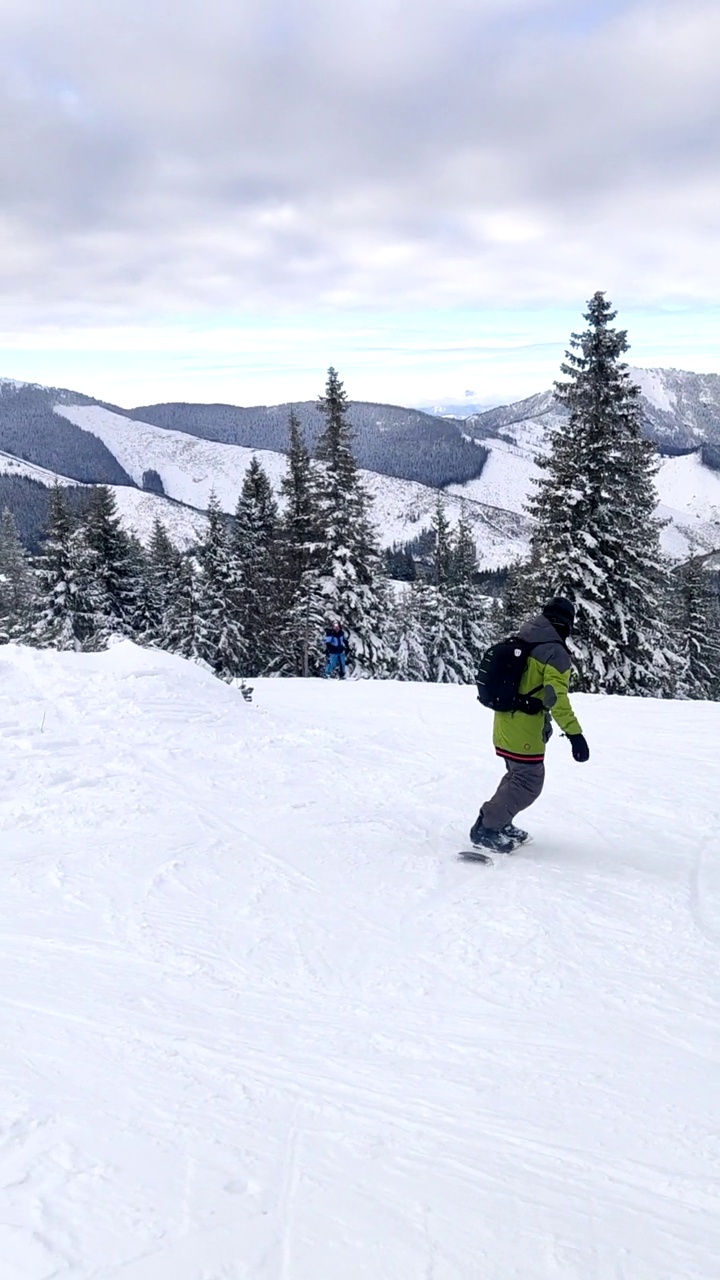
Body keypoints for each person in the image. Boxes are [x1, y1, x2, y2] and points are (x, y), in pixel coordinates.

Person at [470, 596, 589, 853]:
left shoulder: (524, 638)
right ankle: (488, 828)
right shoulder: (554, 652)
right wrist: (575, 734)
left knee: (516, 776)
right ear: (567, 623)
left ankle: (499, 822)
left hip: (505, 723)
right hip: (523, 729)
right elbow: (556, 699)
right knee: (528, 783)